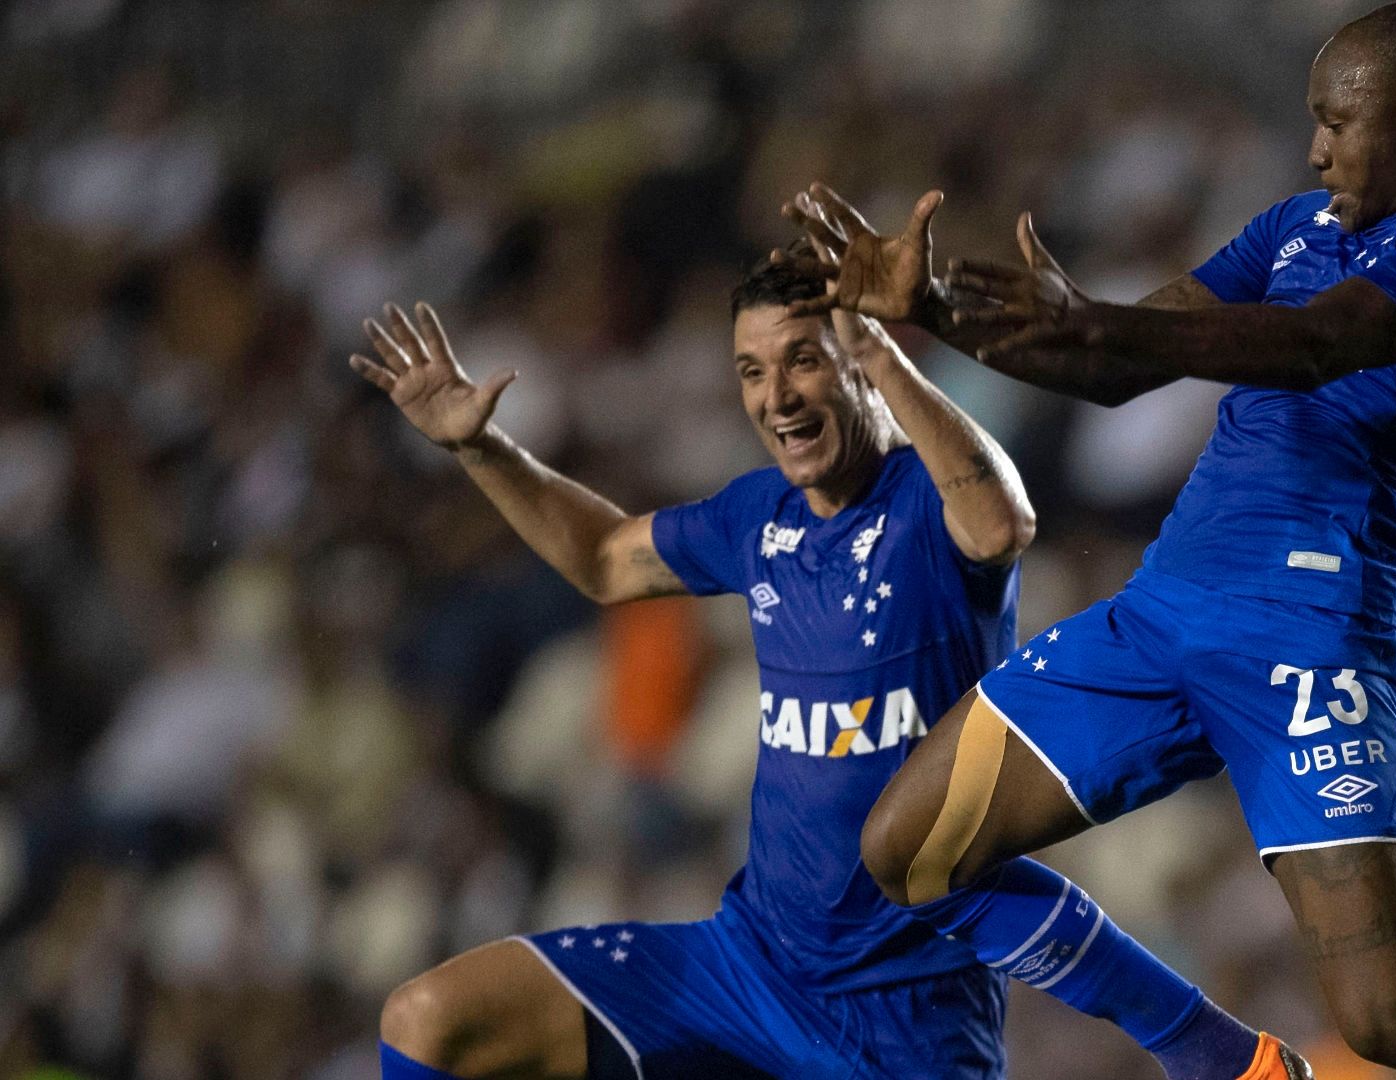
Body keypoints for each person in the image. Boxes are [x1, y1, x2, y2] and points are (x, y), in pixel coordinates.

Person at [780, 3, 1396, 1077]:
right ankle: (1222, 1060)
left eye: (1337, 121)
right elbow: (1118, 367)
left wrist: (1102, 318)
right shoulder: (1294, 228)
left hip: (1314, 633)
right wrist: (937, 308)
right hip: (1164, 609)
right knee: (907, 852)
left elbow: (1320, 345)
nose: (1315, 146)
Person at [350, 253, 1293, 1079]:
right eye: (752, 371)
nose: (777, 395)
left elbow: (1003, 524)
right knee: (429, 1021)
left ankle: (1211, 1052)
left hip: (909, 1018)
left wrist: (889, 356)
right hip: (745, 967)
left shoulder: (926, 496)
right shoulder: (758, 517)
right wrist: (479, 446)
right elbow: (603, 559)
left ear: (860, 360)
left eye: (804, 358)